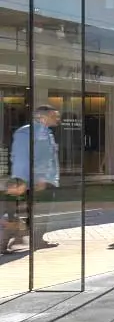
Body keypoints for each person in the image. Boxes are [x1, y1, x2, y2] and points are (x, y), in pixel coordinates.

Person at [9, 106, 60, 249]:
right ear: (43, 117)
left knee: (37, 211)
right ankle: (30, 238)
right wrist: (37, 178)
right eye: (54, 116)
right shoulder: (31, 132)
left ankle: (28, 237)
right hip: (38, 180)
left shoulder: (44, 132)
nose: (57, 119)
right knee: (39, 211)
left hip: (40, 179)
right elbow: (26, 157)